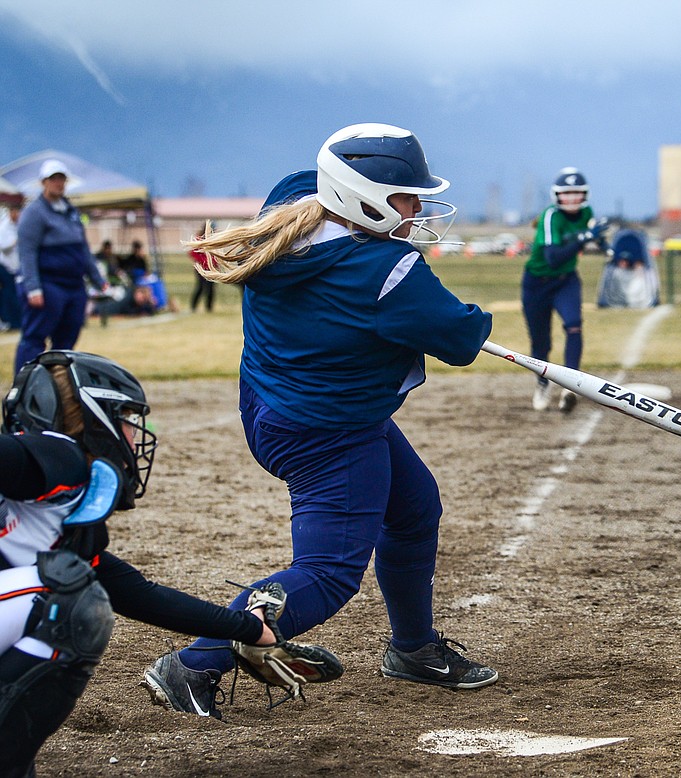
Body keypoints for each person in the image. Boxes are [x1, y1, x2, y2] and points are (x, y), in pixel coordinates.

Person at [150, 122, 498, 702]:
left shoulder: (291, 203)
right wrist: (474, 320)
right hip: (327, 430)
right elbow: (462, 339)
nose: (416, 209)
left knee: (414, 509)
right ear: (364, 198)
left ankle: (413, 649)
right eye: (405, 197)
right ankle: (196, 661)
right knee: (329, 573)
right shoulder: (388, 272)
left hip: (274, 406)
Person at [0, 351, 342, 772]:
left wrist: (250, 630)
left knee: (74, 590)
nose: (134, 431)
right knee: (72, 606)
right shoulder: (60, 457)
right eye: (124, 416)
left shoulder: (63, 519)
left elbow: (139, 595)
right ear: (92, 416)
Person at [523, 167, 608, 412]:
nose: (572, 198)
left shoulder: (587, 212)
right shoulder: (551, 216)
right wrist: (585, 238)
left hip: (566, 280)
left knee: (574, 325)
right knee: (541, 342)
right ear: (557, 195)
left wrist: (603, 243)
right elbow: (553, 258)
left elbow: (590, 240)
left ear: (585, 195)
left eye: (577, 193)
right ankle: (542, 384)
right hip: (537, 283)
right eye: (566, 193)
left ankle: (571, 384)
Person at [13, 160, 108, 374]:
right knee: (35, 337)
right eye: (53, 179)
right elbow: (27, 252)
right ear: (43, 182)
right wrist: (33, 288)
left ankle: (58, 386)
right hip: (48, 284)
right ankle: (25, 385)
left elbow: (82, 248)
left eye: (61, 178)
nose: (58, 183)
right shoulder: (34, 212)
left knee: (67, 339)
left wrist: (97, 279)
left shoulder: (70, 211)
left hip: (73, 285)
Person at [0, 201, 22, 332]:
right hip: (5, 266)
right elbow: (4, 247)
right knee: (9, 294)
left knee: (17, 294)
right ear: (11, 212)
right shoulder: (4, 228)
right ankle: (11, 321)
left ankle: (17, 321)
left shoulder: (17, 226)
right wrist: (17, 240)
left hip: (16, 267)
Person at [189, 224, 216, 312]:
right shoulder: (199, 240)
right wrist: (202, 262)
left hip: (211, 269)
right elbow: (193, 253)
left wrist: (215, 264)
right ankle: (193, 306)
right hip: (201, 268)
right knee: (200, 287)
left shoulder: (214, 241)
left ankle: (209, 307)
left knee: (211, 288)